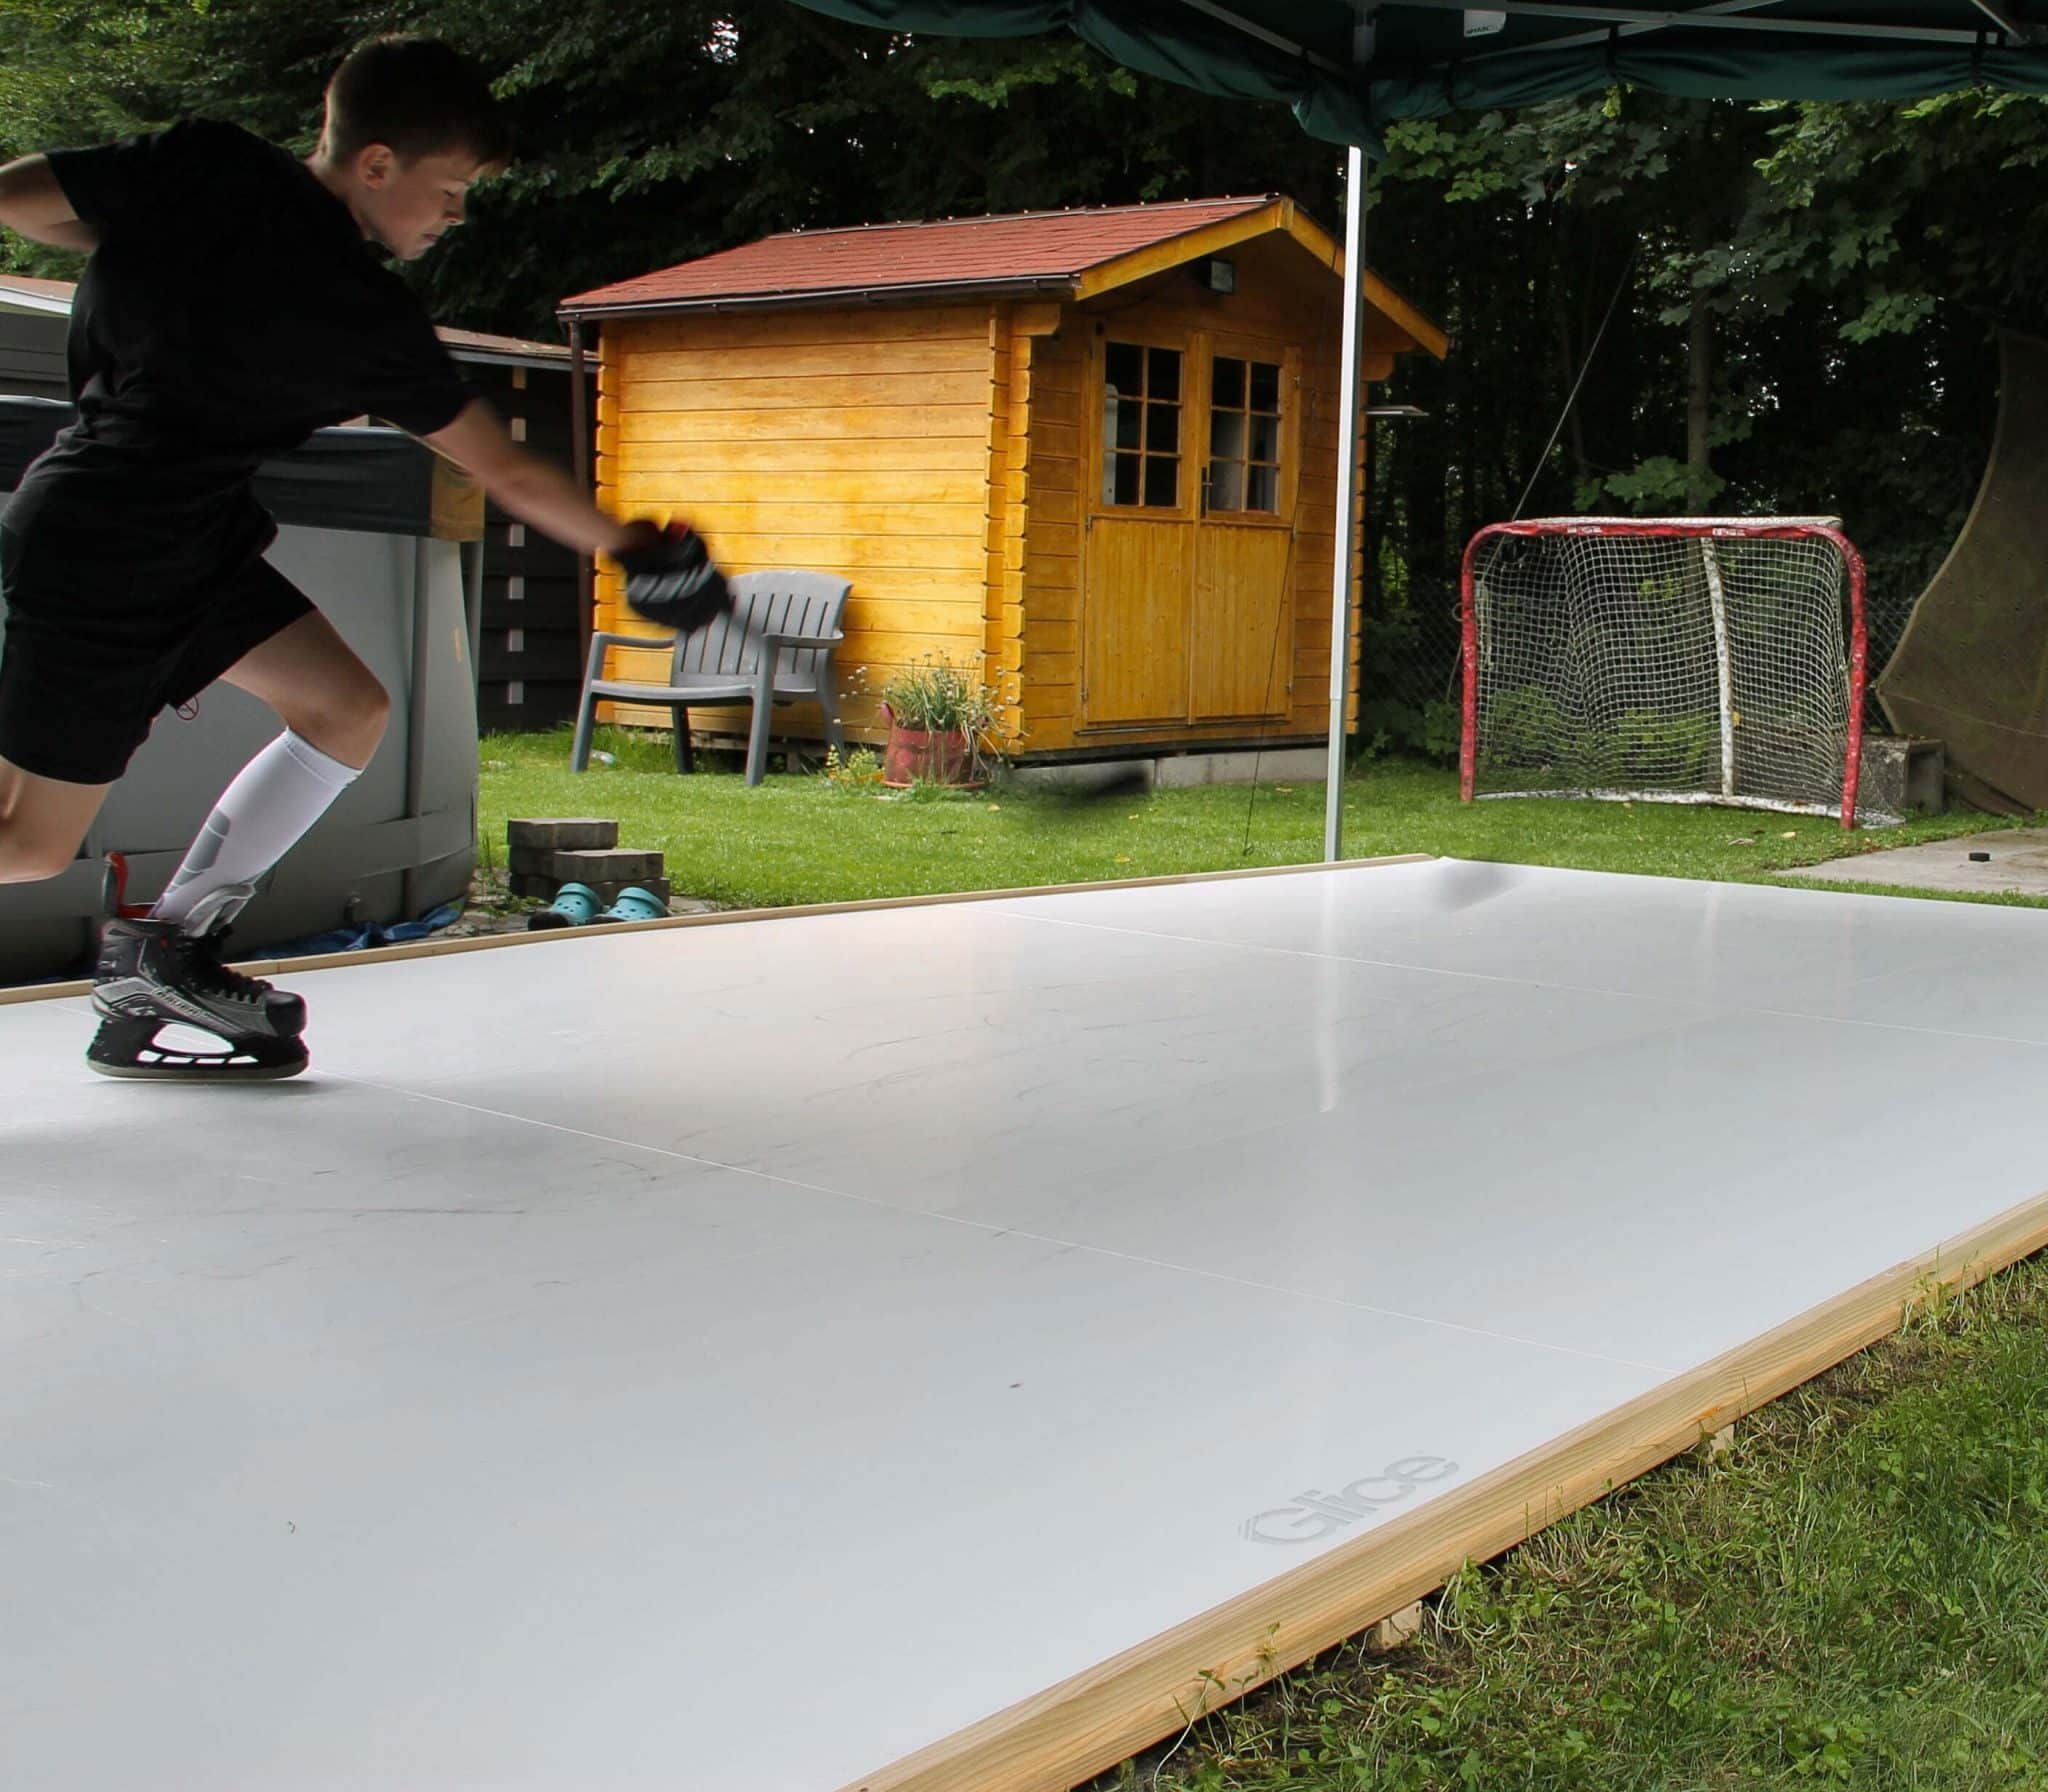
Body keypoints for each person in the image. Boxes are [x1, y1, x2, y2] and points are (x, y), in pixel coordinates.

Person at [0, 36, 722, 1081]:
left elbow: (21, 200)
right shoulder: (357, 310)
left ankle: (167, 949)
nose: (455, 215)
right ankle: (159, 955)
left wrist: (137, 243)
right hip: (107, 547)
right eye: (451, 189)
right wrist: (634, 548)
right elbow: (506, 472)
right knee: (25, 844)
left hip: (179, 535)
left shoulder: (204, 165)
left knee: (345, 708)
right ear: (376, 164)